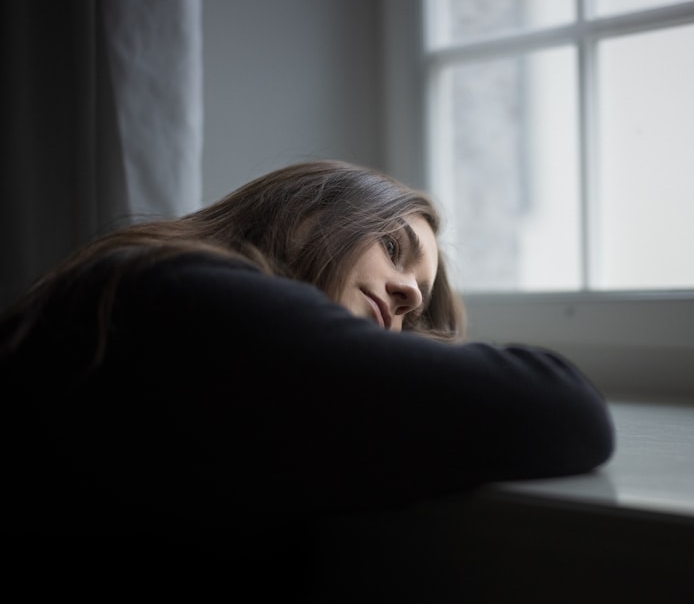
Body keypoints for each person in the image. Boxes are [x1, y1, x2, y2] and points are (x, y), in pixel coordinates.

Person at [2, 159, 614, 533]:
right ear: (305, 213)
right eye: (395, 250)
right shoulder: (178, 297)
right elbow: (565, 410)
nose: (405, 295)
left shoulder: (170, 308)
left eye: (417, 307)